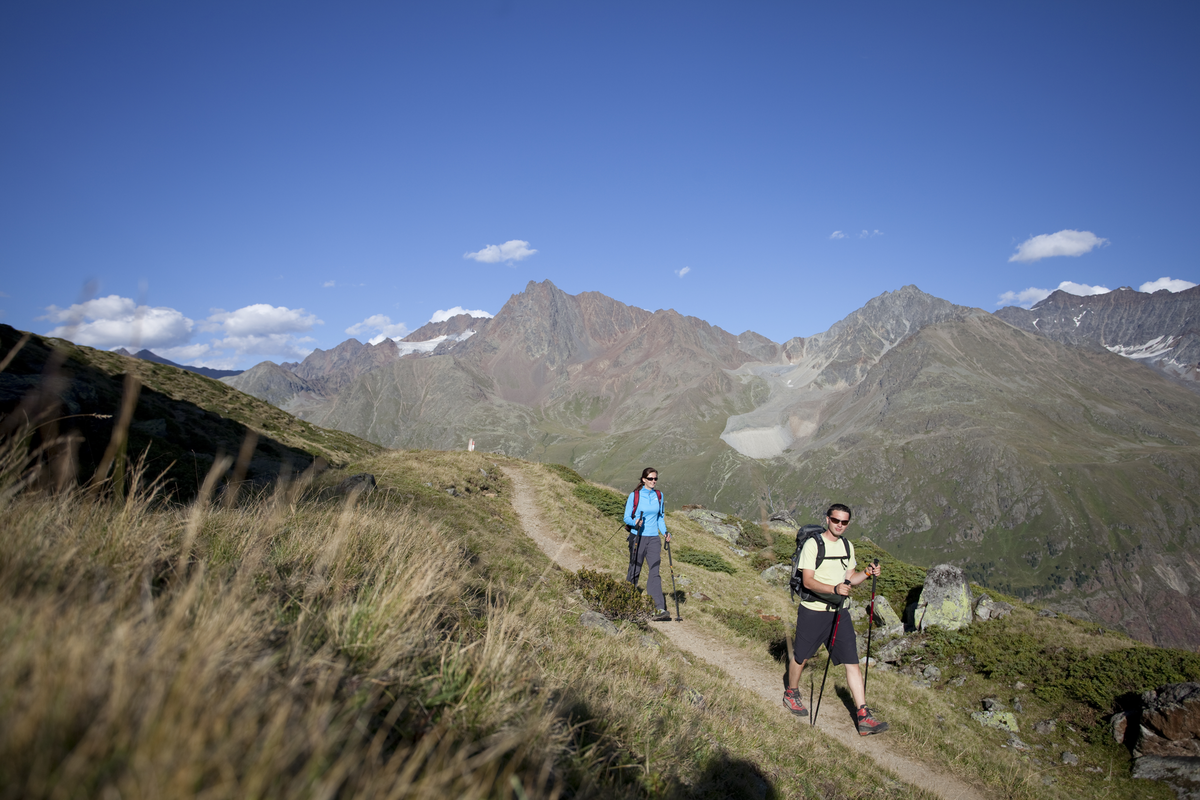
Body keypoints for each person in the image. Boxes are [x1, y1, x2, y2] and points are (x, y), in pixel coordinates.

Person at [782, 503, 888, 735]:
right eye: (836, 520)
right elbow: (808, 581)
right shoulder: (813, 545)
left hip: (840, 612)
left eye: (844, 522)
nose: (840, 525)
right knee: (801, 657)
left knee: (852, 662)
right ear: (828, 519)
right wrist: (834, 589)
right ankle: (792, 692)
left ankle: (863, 716)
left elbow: (850, 579)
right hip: (813, 611)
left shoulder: (847, 546)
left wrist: (867, 573)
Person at [624, 467, 672, 621]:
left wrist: (665, 532)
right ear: (643, 479)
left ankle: (658, 608)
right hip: (637, 536)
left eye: (655, 479)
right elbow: (626, 517)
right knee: (635, 569)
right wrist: (635, 522)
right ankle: (625, 601)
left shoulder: (659, 495)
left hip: (653, 539)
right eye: (650, 479)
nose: (653, 481)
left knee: (655, 571)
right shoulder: (635, 495)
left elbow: (660, 518)